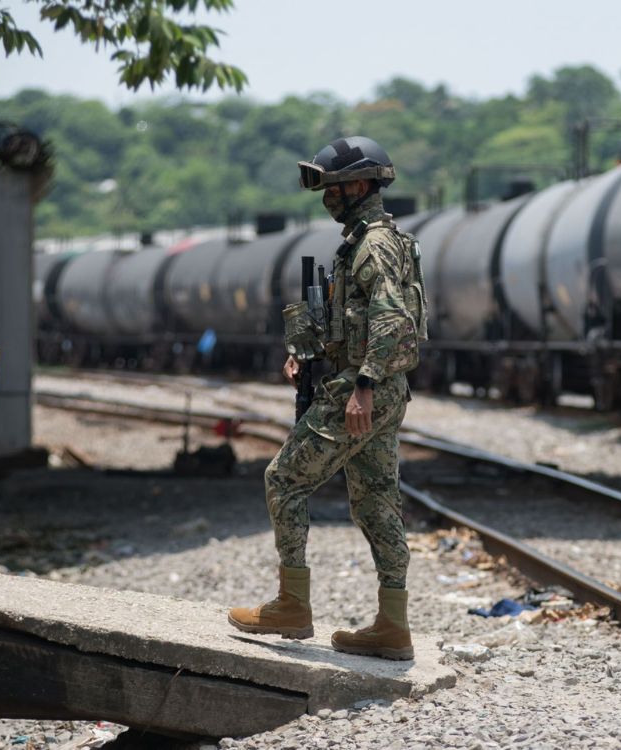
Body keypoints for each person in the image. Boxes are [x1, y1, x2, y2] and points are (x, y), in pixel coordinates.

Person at [228, 136, 426, 661]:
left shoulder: (373, 246)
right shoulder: (375, 240)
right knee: (376, 502)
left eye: (334, 186)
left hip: (359, 390)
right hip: (381, 387)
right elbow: (357, 321)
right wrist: (308, 353)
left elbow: (391, 319)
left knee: (283, 480)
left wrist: (360, 387)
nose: (327, 196)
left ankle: (292, 605)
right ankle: (393, 625)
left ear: (360, 185)